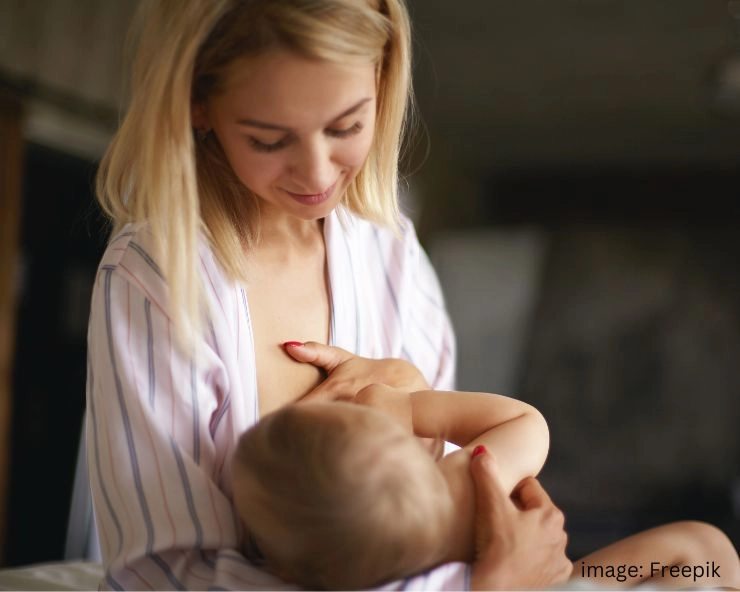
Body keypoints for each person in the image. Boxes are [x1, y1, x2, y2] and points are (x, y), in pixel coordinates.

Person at [85, 0, 571, 590]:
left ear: (383, 82)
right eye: (268, 140)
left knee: (704, 557)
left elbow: (440, 506)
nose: (317, 176)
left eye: (346, 127)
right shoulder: (156, 278)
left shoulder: (392, 255)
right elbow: (159, 575)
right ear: (198, 105)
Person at [231, 350, 740, 590]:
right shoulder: (467, 488)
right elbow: (527, 423)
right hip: (556, 585)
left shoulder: (326, 573)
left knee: (703, 555)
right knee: (707, 553)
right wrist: (410, 408)